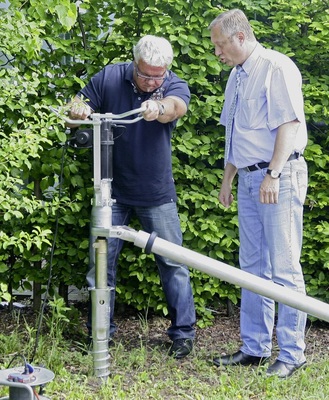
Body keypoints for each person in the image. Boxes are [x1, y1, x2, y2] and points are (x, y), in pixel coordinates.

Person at [67, 35, 196, 359]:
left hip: (156, 193)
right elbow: (75, 110)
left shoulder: (171, 84)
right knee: (100, 264)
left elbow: (175, 106)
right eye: (146, 75)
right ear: (134, 63)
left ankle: (183, 335)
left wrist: (159, 106)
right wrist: (78, 111)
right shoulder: (109, 77)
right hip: (110, 193)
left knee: (173, 262)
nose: (153, 81)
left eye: (159, 75)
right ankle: (100, 334)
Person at [209, 9, 308, 378]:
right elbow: (235, 133)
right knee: (252, 268)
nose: (217, 52)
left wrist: (273, 174)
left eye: (220, 45)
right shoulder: (236, 76)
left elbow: (289, 124)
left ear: (239, 37)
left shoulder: (276, 67)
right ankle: (254, 348)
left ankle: (293, 354)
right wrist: (228, 178)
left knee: (284, 268)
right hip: (250, 180)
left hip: (277, 177)